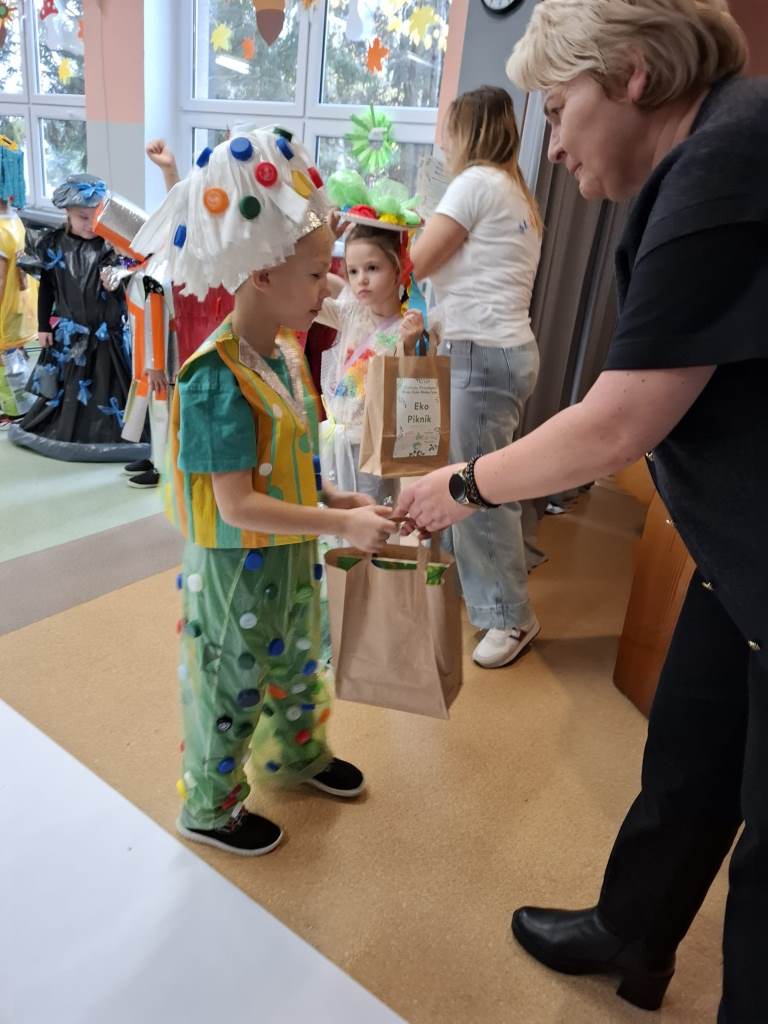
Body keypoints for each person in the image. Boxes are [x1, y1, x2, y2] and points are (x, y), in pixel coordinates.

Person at [396, 1, 766, 1018]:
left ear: (635, 74)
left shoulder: (728, 159)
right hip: (738, 557)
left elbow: (620, 421)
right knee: (689, 754)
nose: (552, 145)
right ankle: (633, 932)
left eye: (559, 109)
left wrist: (461, 484)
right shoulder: (713, 151)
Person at [131, 127, 396, 857]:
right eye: (315, 275)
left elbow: (289, 462)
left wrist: (337, 501)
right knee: (229, 683)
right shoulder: (215, 378)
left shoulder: (280, 352)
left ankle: (298, 756)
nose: (330, 288)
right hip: (233, 568)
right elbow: (237, 503)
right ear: (261, 275)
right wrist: (338, 526)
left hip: (286, 554)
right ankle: (210, 808)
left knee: (297, 661)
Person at [410, 86, 543, 669]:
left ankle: (511, 617)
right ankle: (493, 595)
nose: (443, 142)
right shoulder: (515, 192)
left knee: (478, 490)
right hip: (505, 352)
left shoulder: (474, 185)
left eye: (449, 130)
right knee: (488, 483)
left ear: (467, 131)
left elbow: (416, 261)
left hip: (483, 356)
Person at [10, 173, 147, 463]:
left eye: (96, 216)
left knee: (111, 384)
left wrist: (121, 275)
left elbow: (134, 284)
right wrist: (43, 325)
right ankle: (69, 429)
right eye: (82, 217)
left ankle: (119, 433)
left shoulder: (112, 247)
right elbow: (47, 287)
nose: (90, 224)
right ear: (67, 214)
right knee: (69, 386)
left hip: (108, 335)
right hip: (72, 337)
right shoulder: (54, 243)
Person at [315, 170, 428, 505]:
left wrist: (409, 346)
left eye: (373, 268)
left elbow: (411, 391)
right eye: (353, 271)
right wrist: (324, 244)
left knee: (370, 513)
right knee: (334, 516)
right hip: (336, 437)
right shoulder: (350, 312)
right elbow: (309, 293)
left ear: (399, 268)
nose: (360, 279)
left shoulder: (408, 327)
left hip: (373, 447)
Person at [0, 136, 36, 427]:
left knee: (6, 360)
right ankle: (23, 406)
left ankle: (12, 411)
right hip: (22, 304)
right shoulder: (15, 220)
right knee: (16, 355)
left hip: (5, 306)